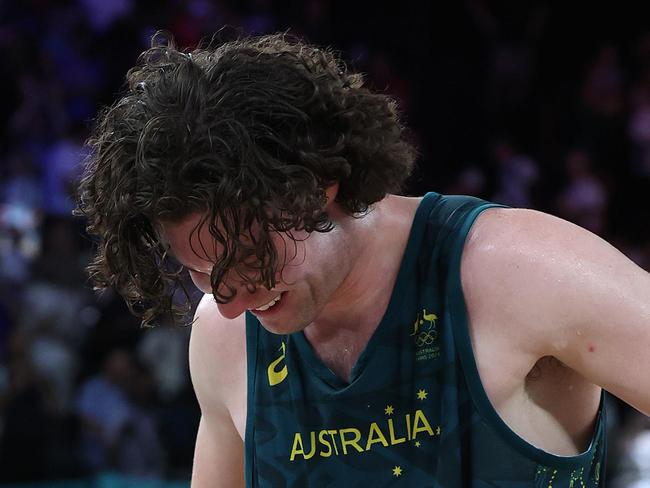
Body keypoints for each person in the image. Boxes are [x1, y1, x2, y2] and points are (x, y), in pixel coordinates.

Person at [76, 32, 650, 487]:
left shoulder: (514, 268)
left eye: (250, 260)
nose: (233, 304)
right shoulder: (223, 339)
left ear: (318, 185)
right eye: (204, 274)